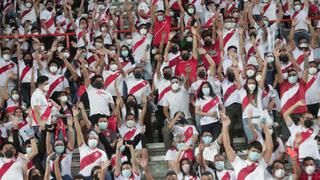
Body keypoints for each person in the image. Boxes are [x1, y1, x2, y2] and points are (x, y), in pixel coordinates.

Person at [222, 111, 274, 179]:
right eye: (253, 151)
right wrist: (225, 126)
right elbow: (227, 146)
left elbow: (270, 148)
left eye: (258, 152)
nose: (256, 153)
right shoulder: (238, 163)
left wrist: (265, 128)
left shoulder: (262, 164)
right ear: (248, 150)